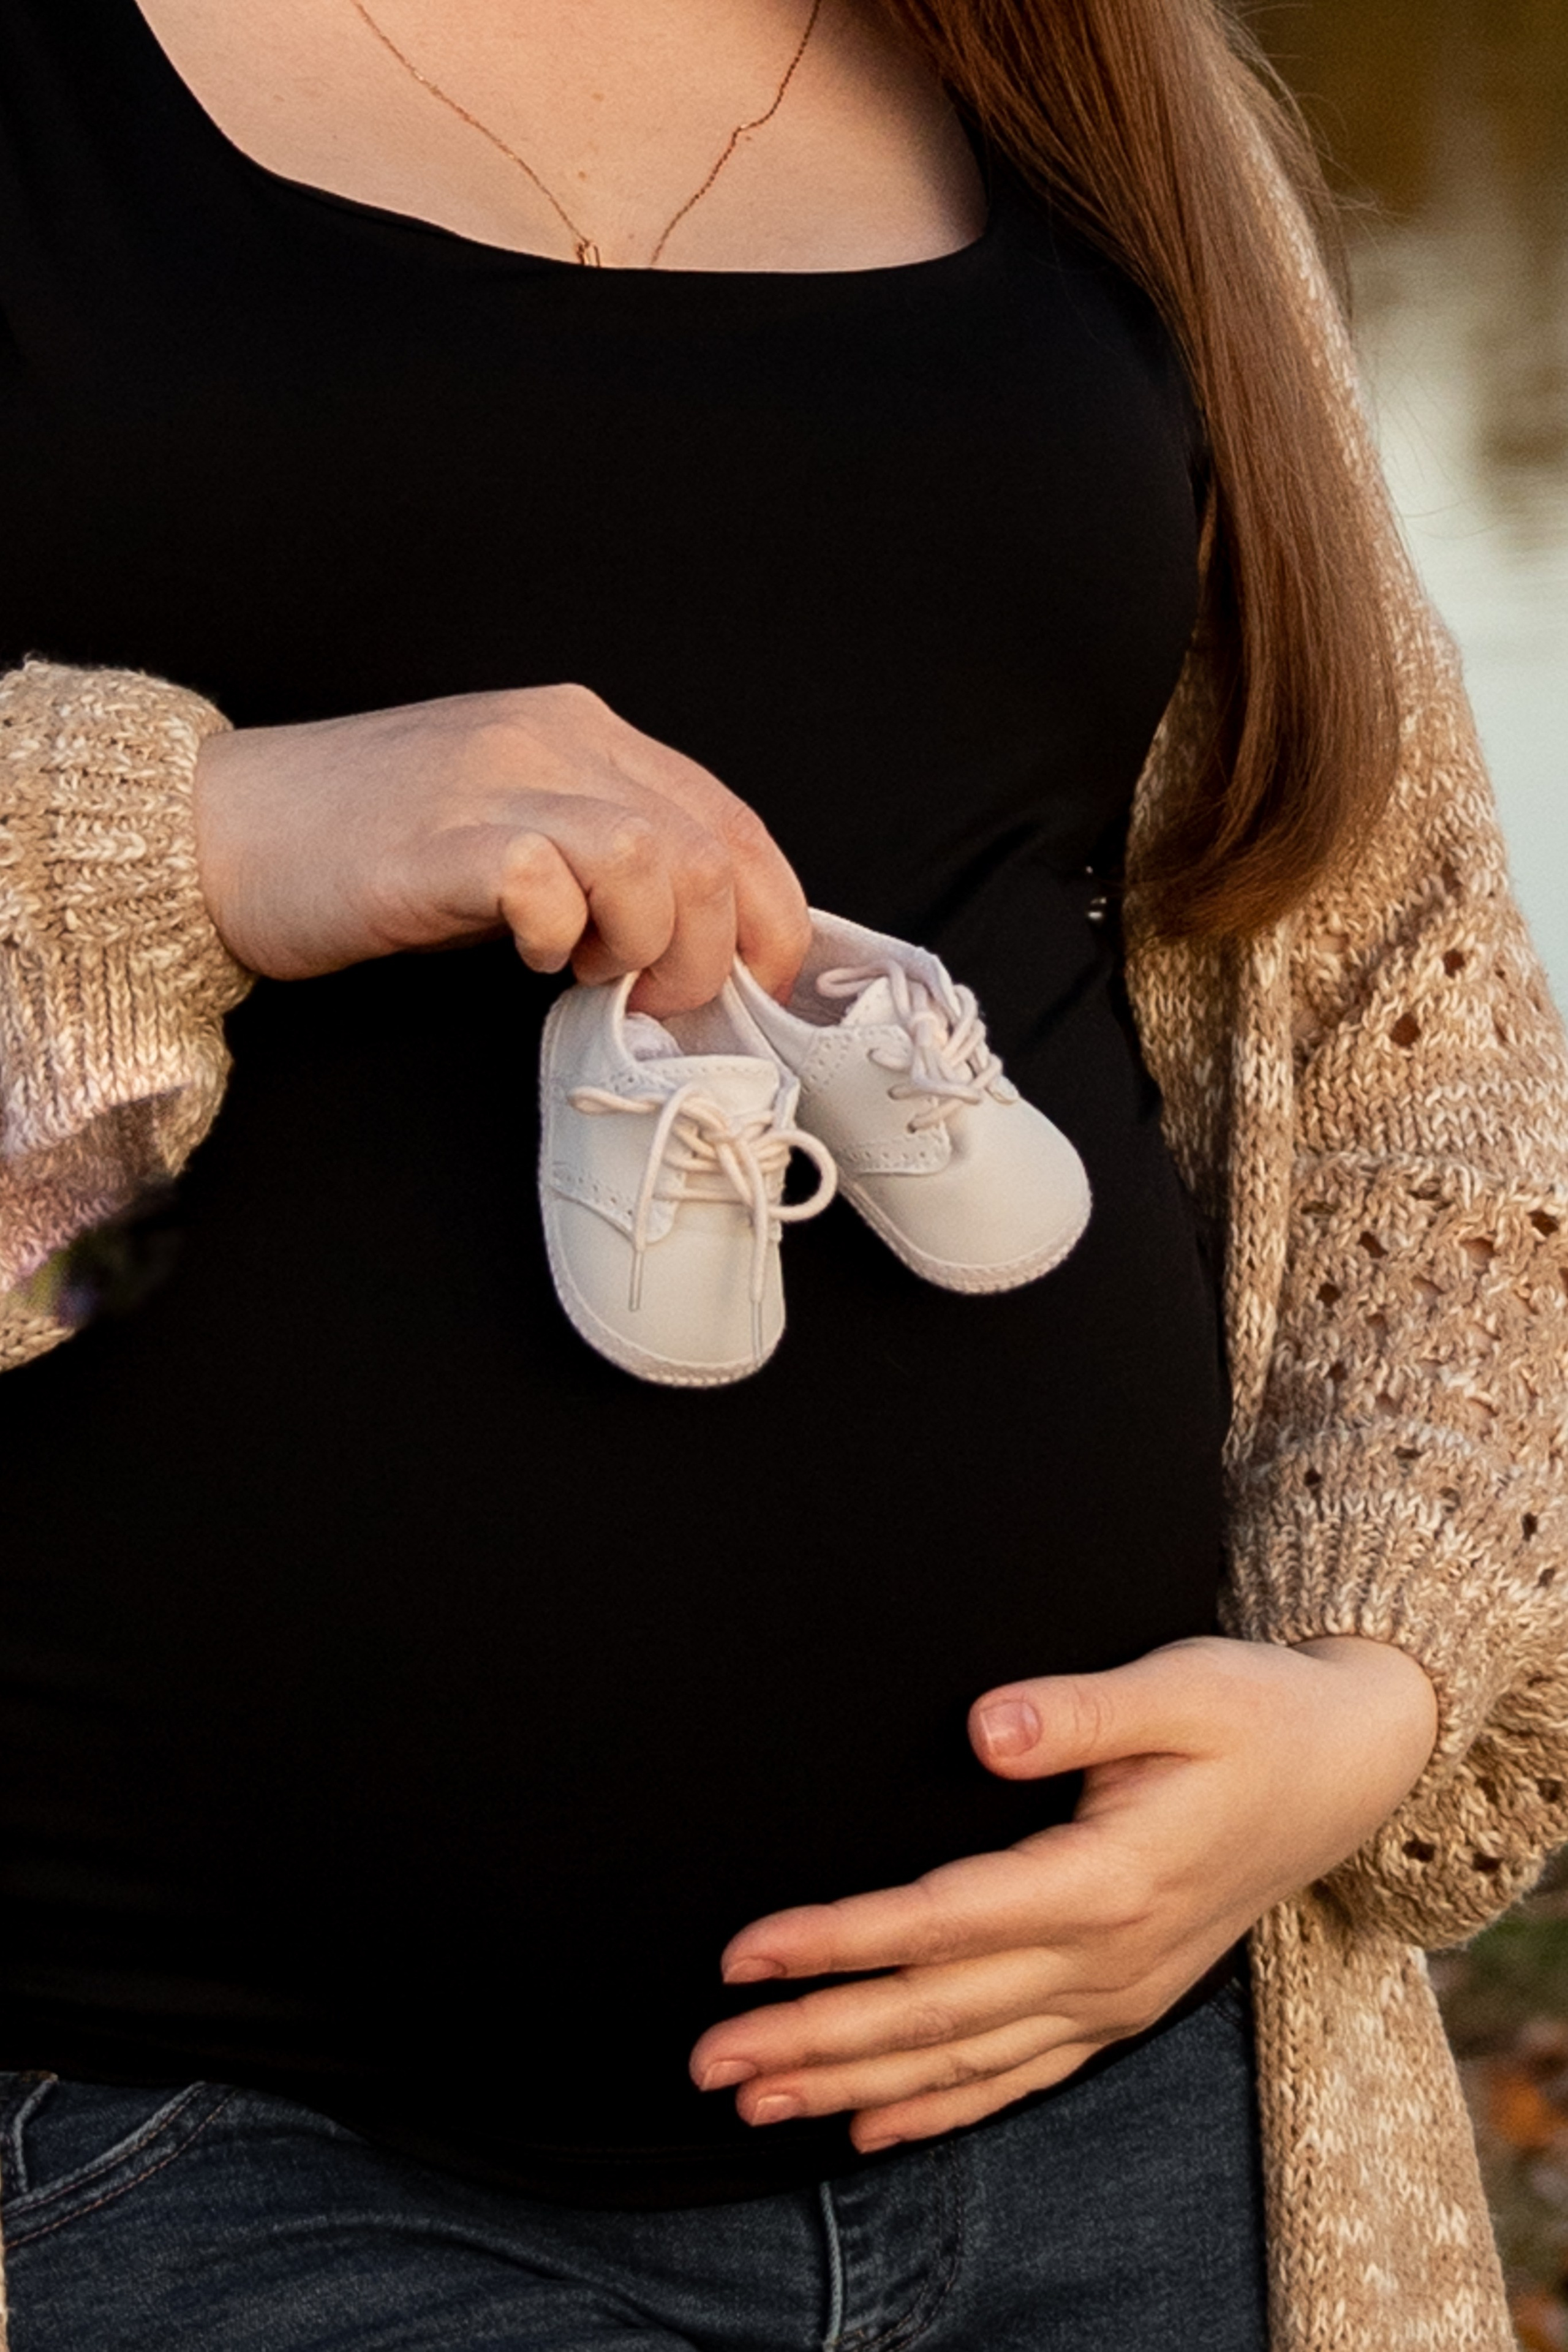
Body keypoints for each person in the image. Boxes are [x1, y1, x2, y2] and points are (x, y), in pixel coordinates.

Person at [0, 1, 1564, 2345]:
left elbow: (1390, 1023)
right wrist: (193, 839)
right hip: (216, 2163)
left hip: (1140, 2124)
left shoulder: (1092, 78)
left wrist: (1371, 1694)